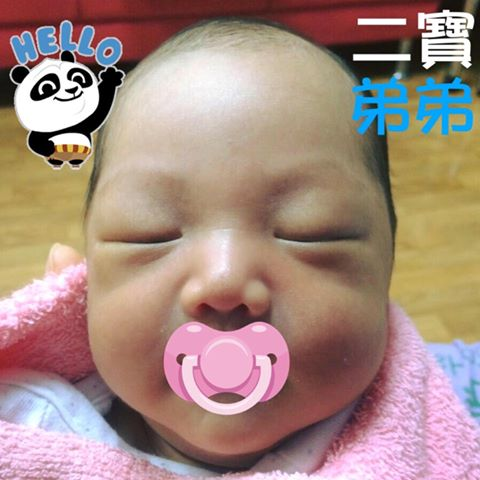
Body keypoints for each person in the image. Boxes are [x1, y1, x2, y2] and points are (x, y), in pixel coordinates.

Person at [1, 17, 479, 479]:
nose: (224, 279)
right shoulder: (27, 425)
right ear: (77, 285)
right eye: (150, 234)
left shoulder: (426, 451)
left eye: (310, 231)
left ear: (385, 270)